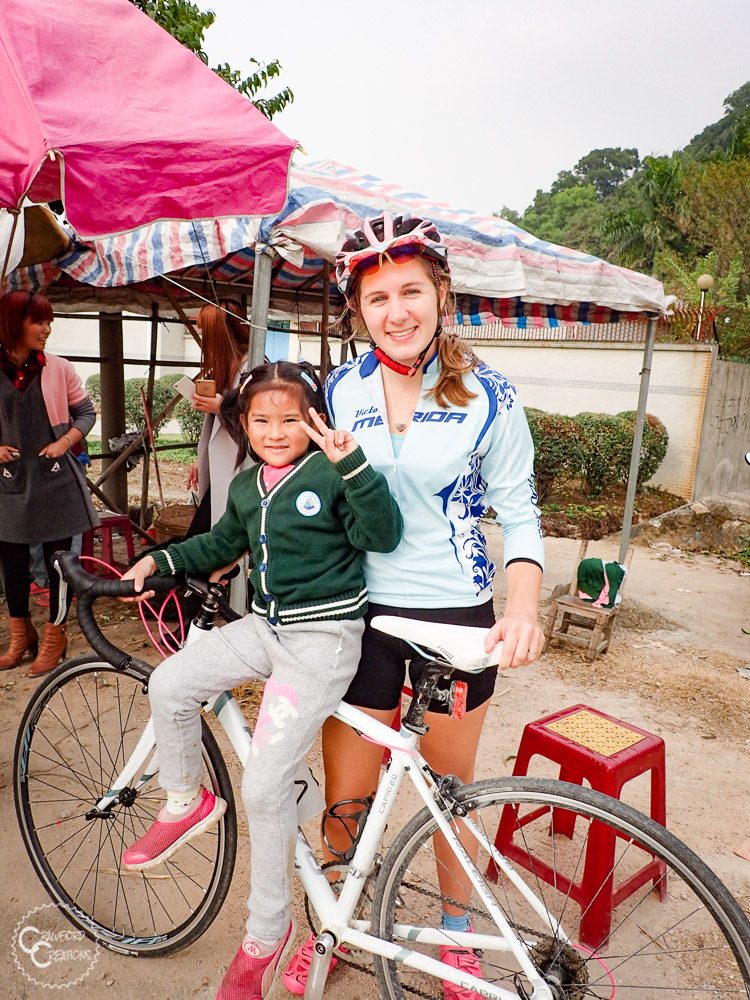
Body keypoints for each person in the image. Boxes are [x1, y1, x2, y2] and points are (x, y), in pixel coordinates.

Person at [282, 213, 546, 999]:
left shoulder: (489, 396)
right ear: (356, 312)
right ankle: (330, 923)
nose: (395, 311)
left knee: (450, 797)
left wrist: (523, 607)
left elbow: (522, 514)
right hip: (357, 617)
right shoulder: (340, 387)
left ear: (440, 294)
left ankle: (458, 938)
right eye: (376, 298)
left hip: (457, 617)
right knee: (346, 797)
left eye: (410, 291)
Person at [119, 361, 402, 1000]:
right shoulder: (247, 484)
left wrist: (353, 464)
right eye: (261, 420)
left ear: (314, 420)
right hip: (265, 627)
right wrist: (161, 557)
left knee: (266, 783)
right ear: (243, 425)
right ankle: (185, 800)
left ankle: (265, 935)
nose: (275, 431)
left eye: (289, 419)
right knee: (170, 683)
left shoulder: (331, 472)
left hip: (322, 640)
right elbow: (221, 545)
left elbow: (382, 535)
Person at [0, 290, 99, 675]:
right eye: (38, 321)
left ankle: (56, 636)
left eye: (48, 321)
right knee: (12, 561)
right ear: (13, 324)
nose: (47, 329)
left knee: (60, 563)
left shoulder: (58, 368)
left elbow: (85, 413)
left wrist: (64, 442)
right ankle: (20, 636)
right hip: (8, 481)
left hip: (54, 477)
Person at [186, 300, 250, 533]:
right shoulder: (226, 366)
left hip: (242, 468)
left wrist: (221, 406)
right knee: (209, 528)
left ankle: (248, 570)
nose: (203, 340)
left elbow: (257, 418)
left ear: (220, 335)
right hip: (222, 464)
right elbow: (213, 427)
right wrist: (201, 460)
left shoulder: (252, 367)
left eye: (206, 333)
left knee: (222, 532)